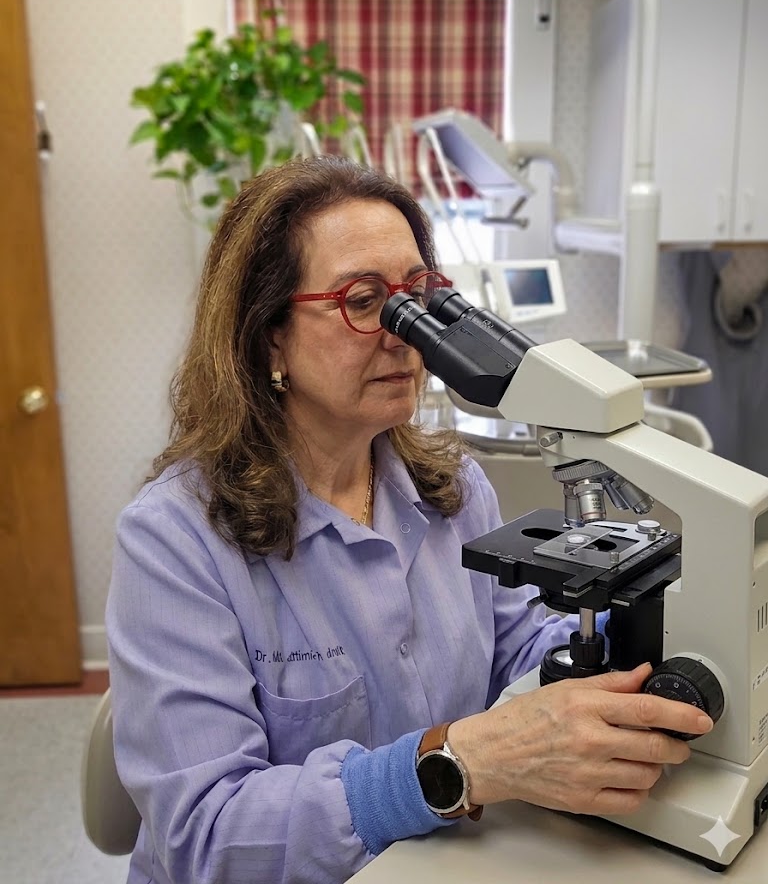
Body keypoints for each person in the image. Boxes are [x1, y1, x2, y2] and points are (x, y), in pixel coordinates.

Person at [107, 156, 712, 884]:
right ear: (269, 336)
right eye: (364, 302)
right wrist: (460, 762)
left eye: (418, 298)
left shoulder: (451, 485)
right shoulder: (174, 540)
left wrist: (642, 630)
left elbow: (515, 650)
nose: (406, 335)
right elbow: (209, 836)